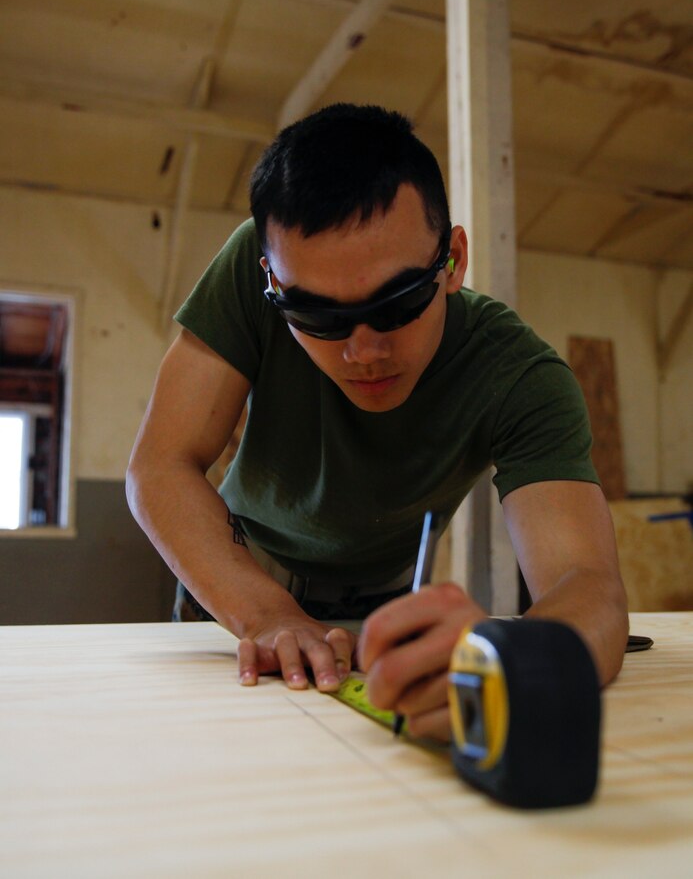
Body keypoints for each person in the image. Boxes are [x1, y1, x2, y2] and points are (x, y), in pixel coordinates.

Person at [126, 103, 628, 726]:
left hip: (384, 616)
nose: (363, 352)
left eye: (396, 303)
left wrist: (517, 666)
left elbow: (587, 584)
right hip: (232, 595)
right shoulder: (249, 270)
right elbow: (160, 465)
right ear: (271, 279)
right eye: (316, 317)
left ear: (453, 261)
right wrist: (267, 613)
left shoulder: (519, 377)